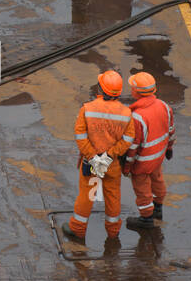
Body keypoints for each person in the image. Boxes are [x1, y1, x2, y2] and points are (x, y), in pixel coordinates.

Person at [62, 70, 134, 244]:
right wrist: (109, 156)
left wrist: (93, 157)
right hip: (111, 163)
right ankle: (113, 231)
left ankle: (77, 229)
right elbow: (128, 139)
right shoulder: (126, 113)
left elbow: (80, 135)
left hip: (92, 162)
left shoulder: (87, 109)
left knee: (87, 194)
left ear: (101, 88)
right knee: (112, 195)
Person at [121, 71, 174, 231]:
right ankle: (158, 209)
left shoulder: (137, 117)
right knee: (157, 180)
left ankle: (146, 218)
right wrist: (169, 148)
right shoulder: (164, 106)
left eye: (132, 87)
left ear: (137, 92)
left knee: (142, 189)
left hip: (142, 163)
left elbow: (133, 147)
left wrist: (127, 167)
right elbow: (170, 129)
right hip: (158, 157)